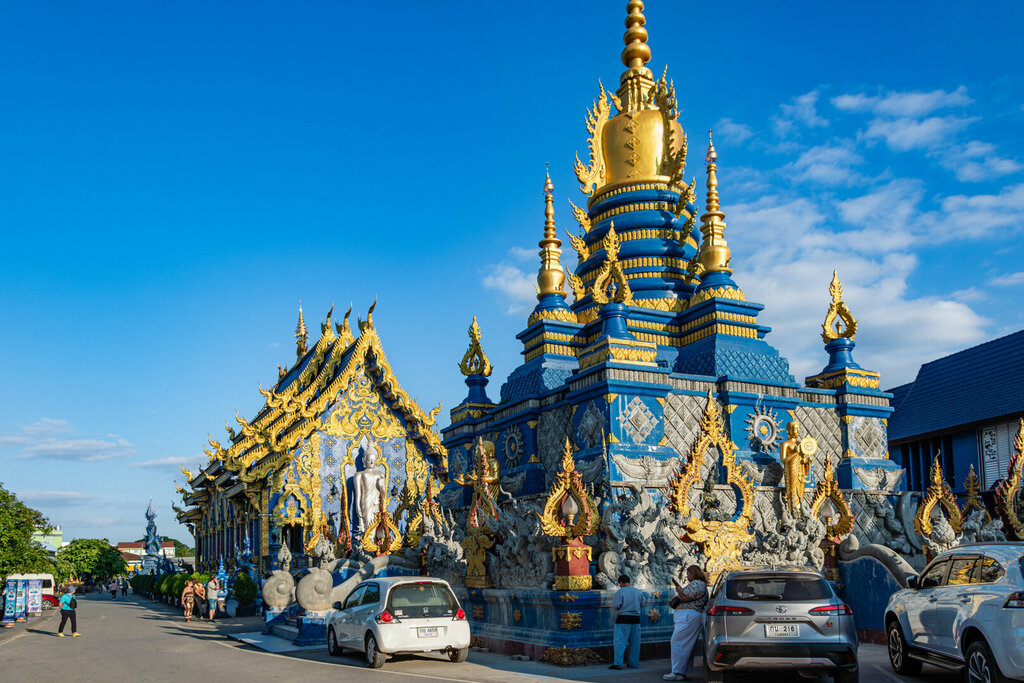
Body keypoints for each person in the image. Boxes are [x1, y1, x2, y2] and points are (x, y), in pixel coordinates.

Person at [664, 565, 709, 681]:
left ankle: (677, 671)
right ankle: (680, 672)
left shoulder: (698, 583)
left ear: (695, 573)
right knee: (685, 644)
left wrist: (679, 590)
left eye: (689, 573)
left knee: (678, 642)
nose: (687, 576)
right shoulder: (697, 584)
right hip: (688, 617)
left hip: (689, 616)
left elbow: (686, 597)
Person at [610, 574, 644, 670]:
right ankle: (634, 663)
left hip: (623, 619)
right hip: (636, 619)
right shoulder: (638, 592)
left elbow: (616, 606)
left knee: (620, 641)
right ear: (629, 582)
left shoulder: (620, 592)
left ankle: (618, 663)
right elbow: (642, 604)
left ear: (620, 583)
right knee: (635, 642)